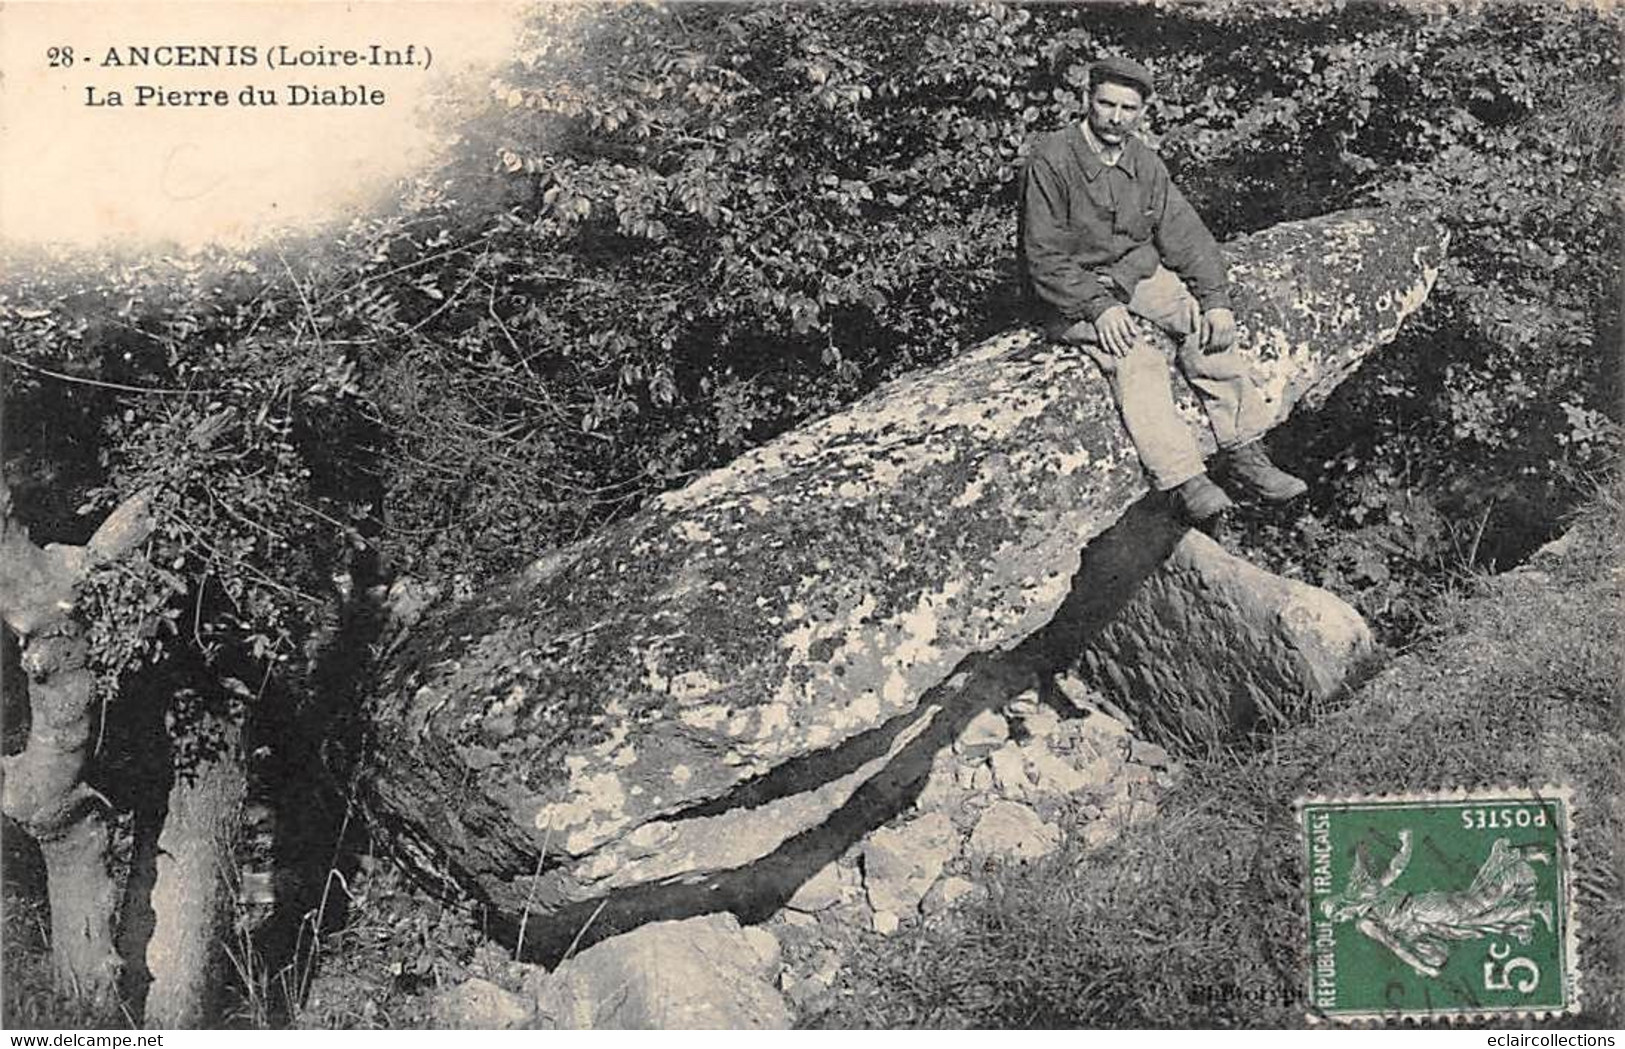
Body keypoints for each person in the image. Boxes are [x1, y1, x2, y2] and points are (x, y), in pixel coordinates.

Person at [1019, 54, 1306, 523]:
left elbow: (1187, 236)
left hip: (1133, 275)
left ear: (1143, 112)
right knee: (1137, 356)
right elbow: (1044, 255)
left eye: (1127, 109)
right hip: (1069, 290)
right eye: (1106, 104)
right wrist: (1097, 308)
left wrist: (1216, 303)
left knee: (1202, 325)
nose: (1115, 118)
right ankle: (1182, 478)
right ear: (1086, 100)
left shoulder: (1145, 163)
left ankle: (1244, 451)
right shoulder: (1052, 159)